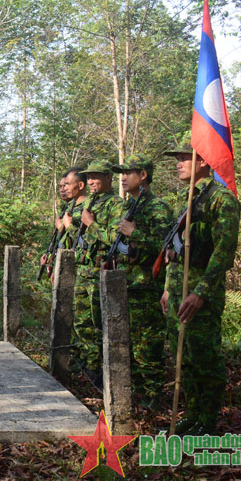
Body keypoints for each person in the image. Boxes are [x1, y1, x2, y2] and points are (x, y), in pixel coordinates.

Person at [160, 141, 241, 435]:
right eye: (178, 158)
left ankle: (207, 420)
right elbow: (177, 251)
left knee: (204, 356)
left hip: (201, 295)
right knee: (184, 358)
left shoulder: (222, 200)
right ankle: (192, 414)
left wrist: (201, 293)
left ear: (204, 162)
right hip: (181, 289)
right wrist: (169, 287)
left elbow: (223, 252)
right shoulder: (189, 199)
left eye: (185, 158)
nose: (179, 163)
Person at [109, 154, 173, 406]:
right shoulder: (129, 207)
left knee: (148, 348)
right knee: (129, 346)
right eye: (121, 173)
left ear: (143, 175)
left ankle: (154, 400)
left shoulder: (157, 208)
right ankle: (137, 397)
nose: (122, 177)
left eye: (128, 172)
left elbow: (166, 247)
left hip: (147, 287)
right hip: (126, 285)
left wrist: (135, 232)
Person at [74, 160, 126, 385]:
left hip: (100, 271)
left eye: (96, 176)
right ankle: (87, 366)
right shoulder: (90, 202)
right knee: (81, 323)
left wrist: (91, 224)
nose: (92, 181)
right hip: (83, 270)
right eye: (89, 177)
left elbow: (117, 239)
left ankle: (99, 373)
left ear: (108, 178)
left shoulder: (116, 204)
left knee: (98, 324)